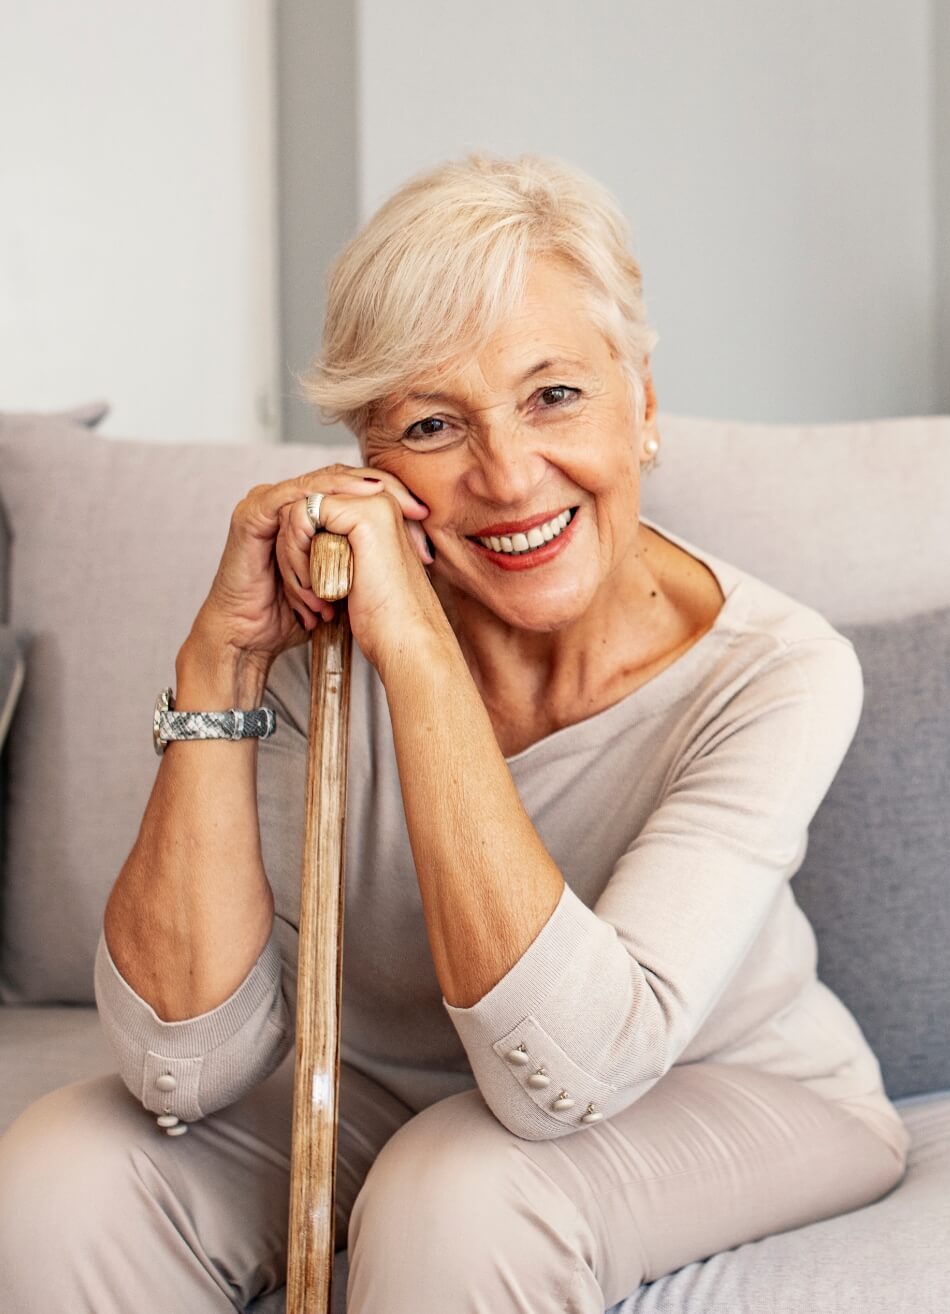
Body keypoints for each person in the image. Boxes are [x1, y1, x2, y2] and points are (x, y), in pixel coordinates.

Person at [0, 153, 908, 1313]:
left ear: (643, 401)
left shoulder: (780, 671)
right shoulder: (301, 641)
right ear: (369, 462)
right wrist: (219, 658)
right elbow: (178, 1066)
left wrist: (420, 655)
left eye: (553, 396)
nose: (508, 476)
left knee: (462, 1190)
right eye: (434, 423)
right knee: (58, 1175)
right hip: (386, 1089)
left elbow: (564, 1082)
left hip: (721, 1090)